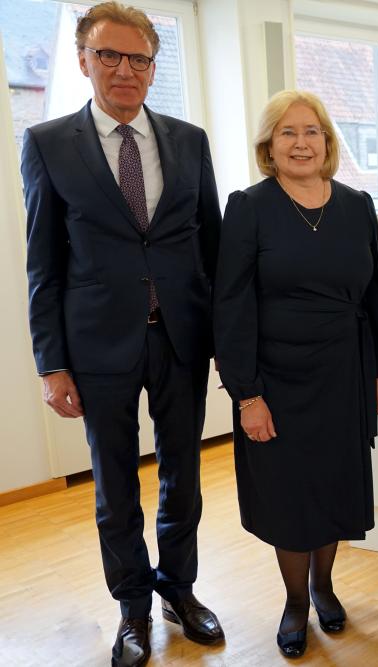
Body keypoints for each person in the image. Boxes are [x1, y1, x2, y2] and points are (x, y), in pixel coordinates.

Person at [20, 3, 223, 665]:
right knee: (115, 488)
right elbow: (42, 261)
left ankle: (178, 589)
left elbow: (212, 247)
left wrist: (228, 344)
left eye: (138, 58)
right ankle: (132, 606)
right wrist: (52, 362)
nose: (124, 70)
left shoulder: (189, 140)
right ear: (83, 61)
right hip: (96, 348)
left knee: (184, 478)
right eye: (109, 55)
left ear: (152, 67)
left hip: (181, 338)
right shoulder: (49, 143)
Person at [213, 89, 378, 658]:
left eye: (311, 131)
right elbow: (231, 304)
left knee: (333, 485)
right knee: (289, 495)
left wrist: (376, 371)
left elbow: (372, 295)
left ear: (328, 141)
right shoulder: (249, 207)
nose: (300, 143)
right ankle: (294, 601)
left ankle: (324, 586)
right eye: (287, 133)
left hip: (343, 370)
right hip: (276, 378)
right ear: (269, 145)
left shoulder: (357, 204)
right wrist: (247, 394)